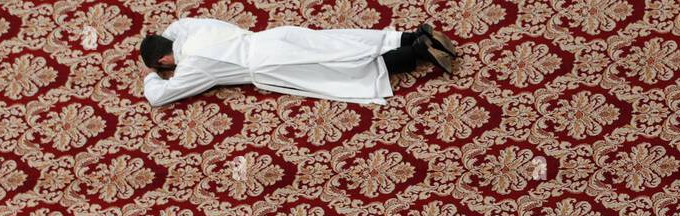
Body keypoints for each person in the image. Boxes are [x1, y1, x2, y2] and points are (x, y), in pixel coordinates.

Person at [139, 19, 457, 107]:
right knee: (338, 42)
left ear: (166, 60)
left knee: (341, 70)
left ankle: (418, 54)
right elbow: (175, 29)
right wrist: (161, 43)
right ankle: (411, 37)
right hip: (270, 38)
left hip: (268, 64)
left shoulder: (194, 66)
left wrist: (152, 76)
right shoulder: (194, 27)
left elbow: (159, 96)